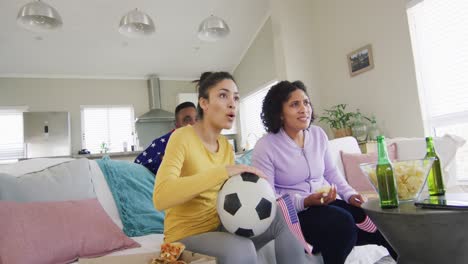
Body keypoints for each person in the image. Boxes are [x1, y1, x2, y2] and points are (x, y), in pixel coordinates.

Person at [153, 72, 313, 264]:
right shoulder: (182, 137)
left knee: (284, 212)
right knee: (241, 248)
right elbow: (161, 197)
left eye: (236, 98)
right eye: (223, 95)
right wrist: (224, 172)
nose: (232, 104)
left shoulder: (226, 146)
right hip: (184, 237)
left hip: (223, 228)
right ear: (204, 103)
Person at [252, 80, 397, 264]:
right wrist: (304, 201)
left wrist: (350, 195)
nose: (304, 109)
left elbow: (332, 173)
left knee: (373, 217)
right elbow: (269, 196)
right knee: (342, 222)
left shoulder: (318, 134)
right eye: (295, 104)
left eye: (306, 102)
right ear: (279, 113)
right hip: (295, 214)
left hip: (325, 204)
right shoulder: (266, 146)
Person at [135, 101, 197, 174]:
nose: (194, 124)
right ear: (176, 125)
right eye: (187, 120)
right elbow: (137, 165)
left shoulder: (206, 141)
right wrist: (162, 160)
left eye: (197, 119)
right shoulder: (163, 143)